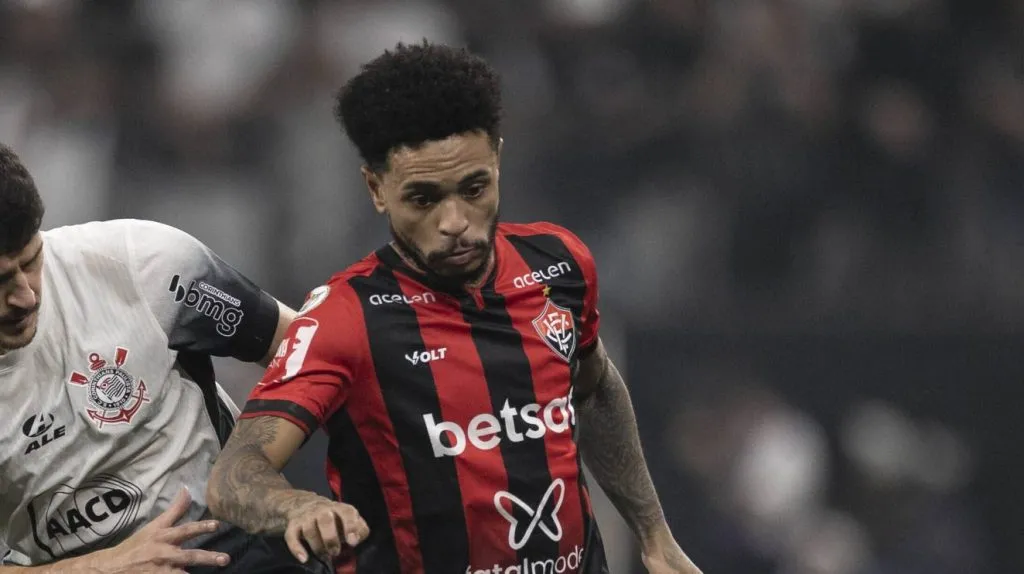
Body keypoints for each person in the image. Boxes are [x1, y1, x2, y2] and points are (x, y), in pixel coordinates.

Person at [207, 41, 703, 574]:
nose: (455, 222)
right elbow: (235, 474)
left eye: (474, 188)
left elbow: (596, 387)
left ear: (497, 159)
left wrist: (653, 534)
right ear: (377, 188)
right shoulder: (345, 317)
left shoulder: (561, 263)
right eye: (423, 198)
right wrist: (296, 506)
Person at [0, 143, 329, 574]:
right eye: (2, 280)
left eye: (32, 260)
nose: (26, 294)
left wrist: (254, 466)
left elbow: (310, 355)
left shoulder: (140, 264)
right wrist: (103, 566)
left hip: (234, 543)